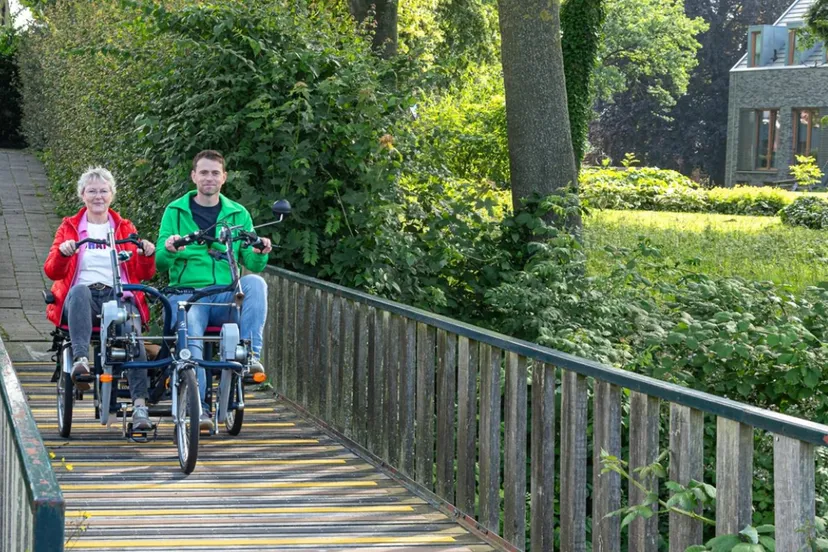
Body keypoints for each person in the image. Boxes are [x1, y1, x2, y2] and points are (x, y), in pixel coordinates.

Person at [155, 150, 271, 431]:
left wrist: (260, 250)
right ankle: (200, 406)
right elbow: (159, 261)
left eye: (215, 173)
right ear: (194, 176)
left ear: (224, 178)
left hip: (224, 292)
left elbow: (252, 262)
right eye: (204, 172)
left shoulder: (238, 213)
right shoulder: (175, 211)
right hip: (188, 293)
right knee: (191, 322)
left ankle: (249, 357)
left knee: (256, 283)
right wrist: (170, 249)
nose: (209, 178)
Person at [44, 167, 156, 430]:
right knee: (81, 290)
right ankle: (81, 362)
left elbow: (143, 274)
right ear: (82, 195)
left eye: (103, 191)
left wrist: (146, 254)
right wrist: (63, 252)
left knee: (133, 335)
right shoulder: (69, 226)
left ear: (111, 195)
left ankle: (140, 406)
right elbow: (52, 270)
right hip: (82, 297)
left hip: (117, 294)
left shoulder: (124, 227)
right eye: (92, 191)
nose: (98, 196)